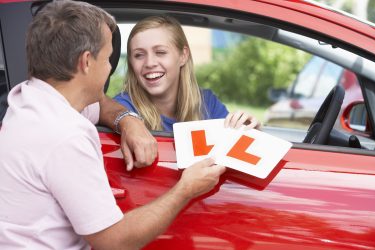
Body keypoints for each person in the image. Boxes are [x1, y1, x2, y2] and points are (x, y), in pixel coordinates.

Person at [0, 1, 225, 249]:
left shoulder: (32, 100)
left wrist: (128, 120)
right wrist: (185, 189)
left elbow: (103, 105)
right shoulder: (64, 135)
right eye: (108, 58)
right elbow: (113, 242)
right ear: (86, 62)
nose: (109, 68)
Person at [114, 15, 261, 132]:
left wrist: (250, 131)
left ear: (183, 56)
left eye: (160, 52)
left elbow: (233, 150)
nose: (150, 63)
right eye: (139, 55)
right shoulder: (123, 108)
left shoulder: (207, 103)